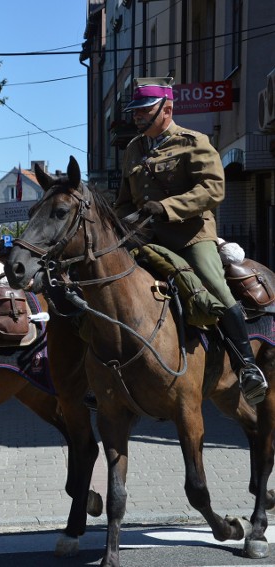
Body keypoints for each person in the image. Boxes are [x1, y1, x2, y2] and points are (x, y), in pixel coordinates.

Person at [115, 76, 267, 405]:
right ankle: (106, 376)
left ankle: (247, 368)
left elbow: (213, 190)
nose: (137, 117)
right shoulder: (133, 149)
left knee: (214, 284)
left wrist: (166, 208)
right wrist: (124, 222)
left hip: (189, 235)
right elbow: (125, 198)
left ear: (166, 110)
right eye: (135, 112)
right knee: (109, 282)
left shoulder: (193, 141)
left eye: (144, 111)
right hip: (146, 238)